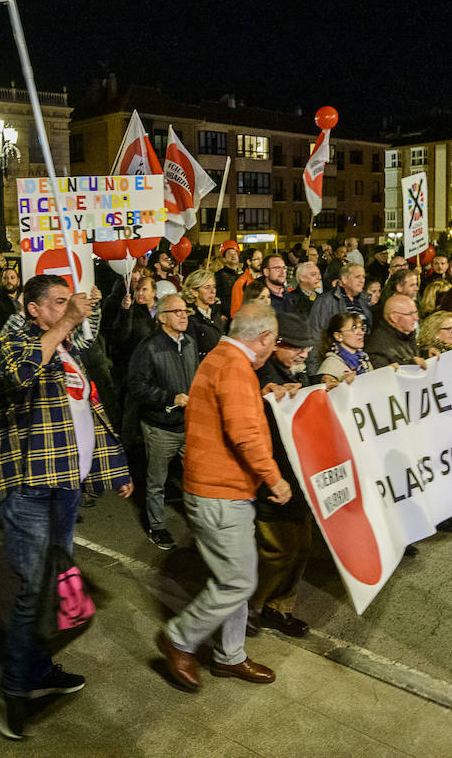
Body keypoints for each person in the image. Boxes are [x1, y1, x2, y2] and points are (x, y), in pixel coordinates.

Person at [0, 275, 130, 740]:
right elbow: (18, 374)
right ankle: (13, 689)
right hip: (30, 487)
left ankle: (39, 670)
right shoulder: (11, 339)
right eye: (59, 302)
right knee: (34, 588)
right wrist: (67, 321)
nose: (72, 309)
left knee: (54, 582)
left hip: (66, 486)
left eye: (72, 301)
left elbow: (88, 408)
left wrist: (116, 467)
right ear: (33, 309)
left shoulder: (68, 349)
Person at [156, 304, 290, 694]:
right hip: (220, 493)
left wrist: (260, 394)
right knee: (237, 581)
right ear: (263, 337)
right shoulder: (234, 367)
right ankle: (179, 638)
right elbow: (244, 434)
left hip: (219, 490)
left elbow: (232, 412)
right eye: (274, 340)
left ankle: (230, 656)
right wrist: (274, 478)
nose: (274, 348)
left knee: (237, 578)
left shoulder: (222, 358)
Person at [247, 312, 316, 637]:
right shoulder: (260, 376)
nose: (304, 353)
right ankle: (251, 606)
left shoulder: (297, 371)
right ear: (276, 345)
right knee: (277, 551)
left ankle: (280, 607)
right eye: (297, 348)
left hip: (299, 478)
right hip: (271, 482)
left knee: (301, 547)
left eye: (306, 347)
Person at [126, 293, 201, 551]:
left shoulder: (190, 343)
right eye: (177, 311)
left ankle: (200, 522)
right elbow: (136, 386)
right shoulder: (149, 347)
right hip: (160, 427)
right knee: (157, 481)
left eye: (185, 311)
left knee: (195, 475)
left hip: (188, 425)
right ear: (162, 318)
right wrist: (170, 397)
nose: (183, 315)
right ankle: (157, 527)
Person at [365, 294, 427, 367]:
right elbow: (385, 374)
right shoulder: (378, 347)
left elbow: (414, 356)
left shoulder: (407, 334)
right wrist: (411, 365)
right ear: (393, 318)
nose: (416, 318)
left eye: (415, 312)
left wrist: (426, 354)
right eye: (410, 314)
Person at [317, 312, 371, 387]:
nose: (361, 333)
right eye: (354, 328)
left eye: (362, 328)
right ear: (338, 336)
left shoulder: (364, 360)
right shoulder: (330, 365)